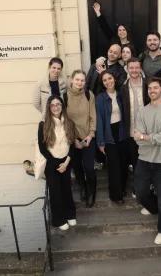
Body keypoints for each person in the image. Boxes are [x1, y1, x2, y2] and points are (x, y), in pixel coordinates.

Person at [134, 77, 161, 245]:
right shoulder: (142, 111)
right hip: (144, 158)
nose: (152, 90)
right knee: (141, 192)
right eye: (149, 88)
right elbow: (137, 138)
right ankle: (152, 208)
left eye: (155, 88)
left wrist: (145, 136)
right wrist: (151, 138)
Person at [38, 95, 77, 230]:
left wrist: (66, 163)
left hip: (66, 161)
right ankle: (59, 220)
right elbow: (42, 148)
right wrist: (56, 164)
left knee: (67, 190)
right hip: (51, 163)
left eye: (58, 104)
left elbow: (72, 145)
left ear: (62, 106)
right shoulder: (43, 125)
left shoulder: (69, 123)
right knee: (55, 193)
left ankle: (70, 214)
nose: (56, 107)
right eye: (53, 105)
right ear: (49, 108)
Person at [65, 70, 97, 207]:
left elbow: (92, 117)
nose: (80, 82)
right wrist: (74, 140)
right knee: (77, 167)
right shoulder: (64, 96)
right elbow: (64, 120)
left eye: (82, 80)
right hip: (73, 139)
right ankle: (83, 188)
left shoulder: (88, 95)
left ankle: (91, 192)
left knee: (89, 168)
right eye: (77, 79)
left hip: (88, 137)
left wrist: (90, 135)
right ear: (72, 80)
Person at [96, 71, 128, 203]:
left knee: (124, 164)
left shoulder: (121, 94)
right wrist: (101, 142)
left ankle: (122, 188)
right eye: (105, 80)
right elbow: (100, 121)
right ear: (102, 83)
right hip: (109, 133)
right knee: (114, 166)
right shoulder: (100, 98)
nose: (108, 81)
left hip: (122, 131)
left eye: (110, 78)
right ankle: (116, 195)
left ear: (114, 79)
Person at [121, 58, 150, 196]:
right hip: (132, 131)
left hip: (148, 131)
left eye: (136, 67)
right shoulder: (123, 86)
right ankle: (137, 187)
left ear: (140, 68)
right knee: (135, 160)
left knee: (148, 160)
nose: (134, 70)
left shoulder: (148, 84)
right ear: (127, 69)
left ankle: (149, 185)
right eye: (131, 68)